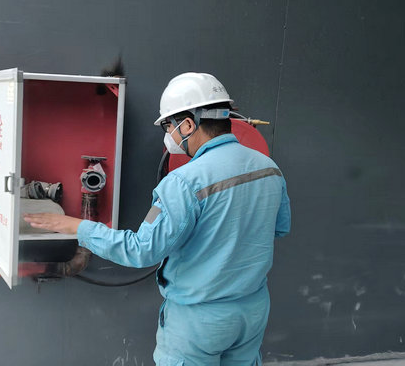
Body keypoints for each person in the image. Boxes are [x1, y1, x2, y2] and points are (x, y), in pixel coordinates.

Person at [24, 72, 291, 366]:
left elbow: (142, 250)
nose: (169, 135)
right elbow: (279, 228)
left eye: (168, 126)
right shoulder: (269, 168)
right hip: (252, 311)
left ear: (187, 124)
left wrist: (79, 227)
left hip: (199, 321)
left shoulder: (183, 182)